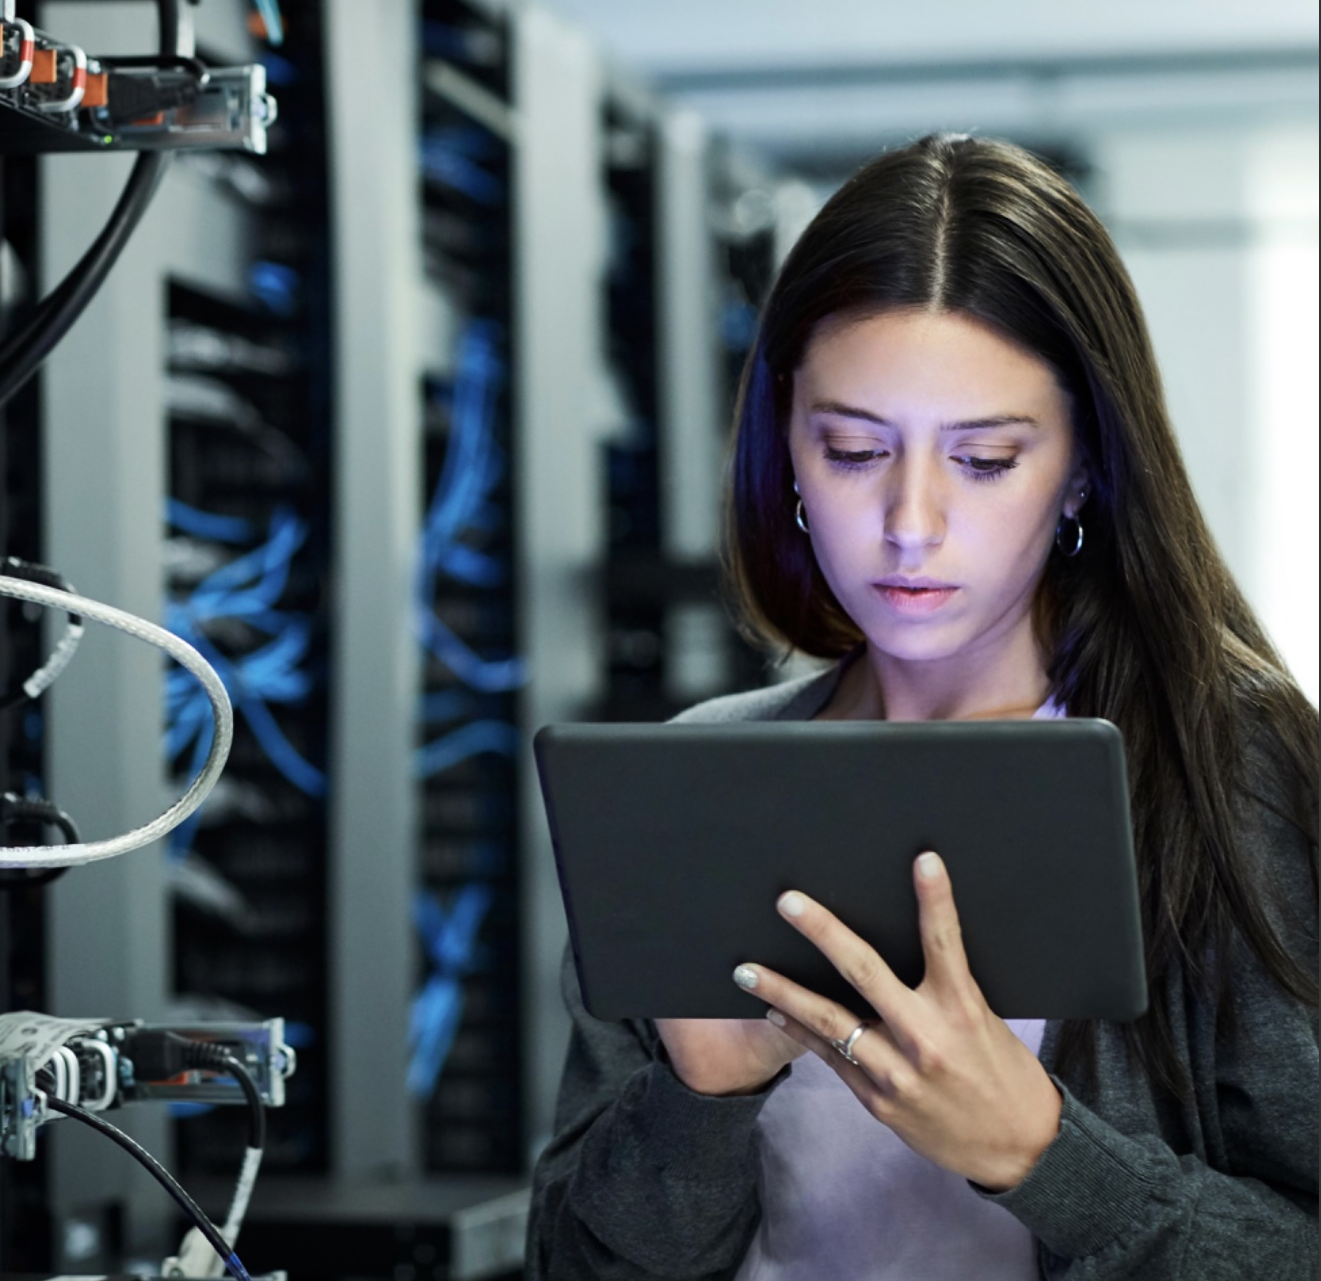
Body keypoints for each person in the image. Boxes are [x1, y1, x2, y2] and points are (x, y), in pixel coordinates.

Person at [526, 134, 1318, 1279]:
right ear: (785, 446)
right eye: (852, 449)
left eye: (986, 459)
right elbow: (573, 1265)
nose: (911, 522)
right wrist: (699, 1098)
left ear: (1087, 464)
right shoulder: (703, 776)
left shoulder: (1231, 770)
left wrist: (1041, 1151)